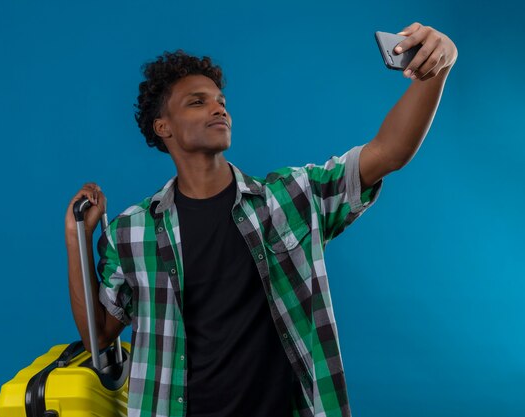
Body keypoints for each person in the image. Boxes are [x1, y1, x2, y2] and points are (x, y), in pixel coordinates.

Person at [64, 22, 458, 417]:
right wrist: (75, 237)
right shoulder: (132, 232)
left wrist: (439, 67)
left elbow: (389, 151)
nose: (219, 108)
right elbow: (99, 337)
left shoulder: (289, 198)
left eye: (220, 100)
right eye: (197, 102)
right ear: (162, 127)